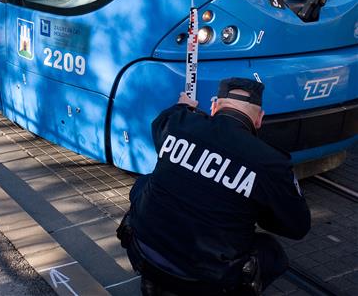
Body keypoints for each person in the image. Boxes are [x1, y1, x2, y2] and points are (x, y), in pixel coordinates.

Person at [119, 77, 311, 296]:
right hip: (204, 282)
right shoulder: (271, 163)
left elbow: (161, 123)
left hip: (140, 251)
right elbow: (298, 226)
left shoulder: (178, 122)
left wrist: (183, 105)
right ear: (259, 119)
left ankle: (154, 281)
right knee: (272, 253)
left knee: (145, 183)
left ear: (213, 108)